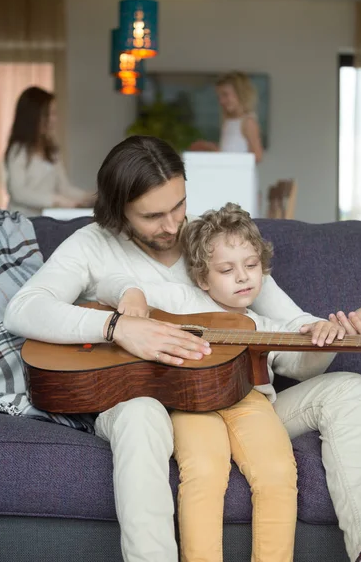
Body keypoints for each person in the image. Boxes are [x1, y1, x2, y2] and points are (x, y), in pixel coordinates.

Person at [4, 135, 361, 562]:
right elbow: (23, 310)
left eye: (178, 205)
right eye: (153, 215)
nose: (172, 226)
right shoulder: (92, 245)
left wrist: (330, 331)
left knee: (348, 387)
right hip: (153, 400)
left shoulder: (211, 246)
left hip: (235, 397)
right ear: (118, 211)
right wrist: (117, 326)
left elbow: (290, 330)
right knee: (140, 413)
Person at [96, 202, 347, 562]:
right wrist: (129, 293)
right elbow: (107, 284)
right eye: (227, 269)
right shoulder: (180, 299)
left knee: (278, 472)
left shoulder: (263, 324)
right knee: (205, 470)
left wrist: (324, 337)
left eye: (251, 265)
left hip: (250, 401)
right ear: (202, 278)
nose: (243, 277)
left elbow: (299, 363)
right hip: (189, 403)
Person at [5, 86, 94, 217]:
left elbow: (64, 188)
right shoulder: (18, 150)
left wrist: (89, 196)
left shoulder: (52, 151)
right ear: (34, 116)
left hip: (45, 220)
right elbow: (18, 192)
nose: (54, 119)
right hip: (20, 223)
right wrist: (56, 200)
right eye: (50, 114)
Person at [190, 71, 263, 164]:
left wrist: (213, 149)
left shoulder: (248, 122)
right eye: (219, 97)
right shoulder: (228, 121)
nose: (221, 101)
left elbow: (258, 156)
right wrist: (210, 147)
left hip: (240, 176)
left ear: (240, 93)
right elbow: (229, 152)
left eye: (225, 94)